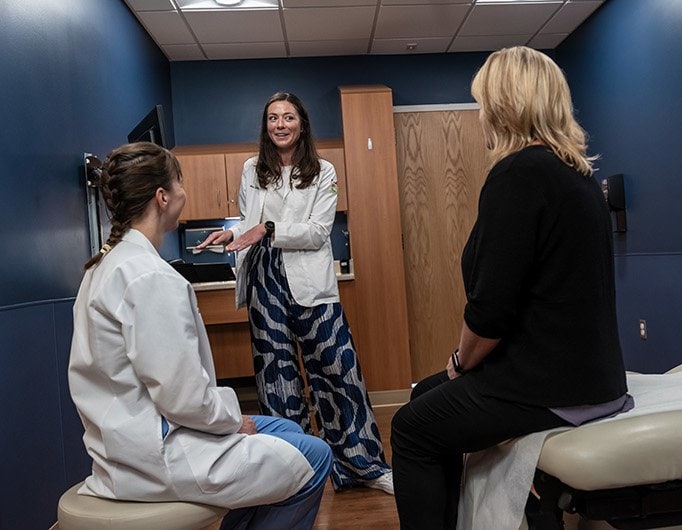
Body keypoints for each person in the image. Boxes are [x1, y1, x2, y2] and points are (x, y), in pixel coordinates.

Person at [391, 46, 631, 529]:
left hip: (547, 386)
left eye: (482, 103)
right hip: (594, 378)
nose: (480, 115)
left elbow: (491, 310)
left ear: (504, 106)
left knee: (410, 429)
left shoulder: (518, 174)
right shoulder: (578, 175)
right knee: (425, 399)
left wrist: (461, 363)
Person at [68, 142, 333, 529]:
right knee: (315, 456)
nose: (183, 192)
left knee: (288, 430)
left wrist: (226, 417)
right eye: (180, 182)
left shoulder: (104, 267)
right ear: (163, 197)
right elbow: (183, 397)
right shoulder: (151, 278)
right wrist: (230, 420)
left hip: (126, 439)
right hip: (159, 454)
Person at [195, 92, 394, 494]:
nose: (280, 125)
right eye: (272, 118)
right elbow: (250, 220)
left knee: (339, 372)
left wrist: (269, 229)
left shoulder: (323, 170)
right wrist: (232, 233)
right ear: (265, 126)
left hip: (309, 282)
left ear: (302, 124)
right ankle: (295, 468)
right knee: (277, 379)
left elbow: (319, 232)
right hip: (264, 278)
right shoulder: (253, 168)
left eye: (288, 117)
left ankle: (364, 467)